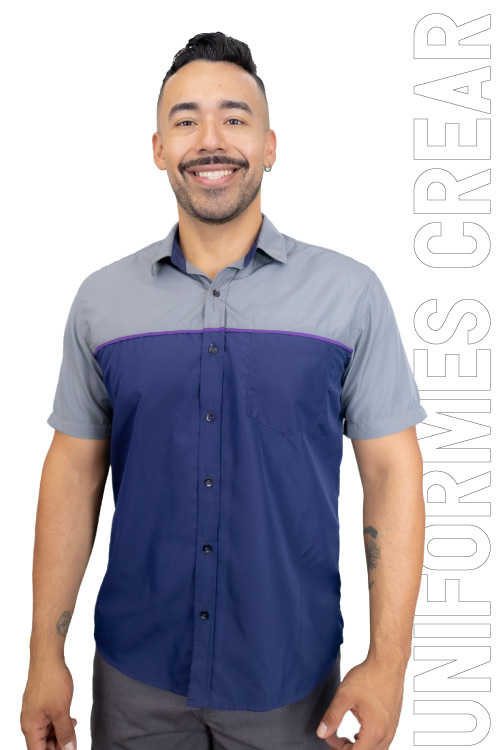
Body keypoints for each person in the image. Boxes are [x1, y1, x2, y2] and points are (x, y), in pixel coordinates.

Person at [20, 31, 427, 750]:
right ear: (158, 148)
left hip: (290, 679)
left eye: (234, 118)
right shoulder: (101, 303)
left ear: (270, 145)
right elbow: (73, 474)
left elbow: (392, 472)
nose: (211, 140)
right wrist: (44, 655)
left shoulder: (350, 296)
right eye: (186, 120)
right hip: (136, 677)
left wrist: (388, 663)